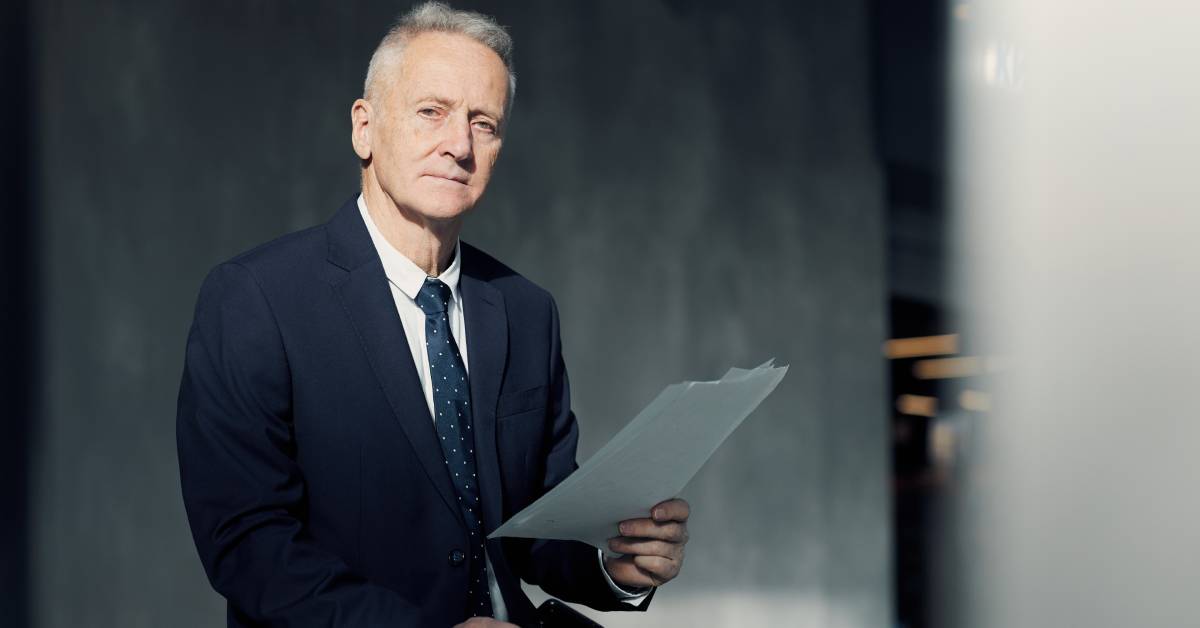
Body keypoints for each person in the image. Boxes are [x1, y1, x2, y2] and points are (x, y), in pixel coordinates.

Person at [175, 3, 690, 627]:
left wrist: (616, 568)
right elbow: (248, 546)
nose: (459, 145)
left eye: (484, 123)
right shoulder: (256, 299)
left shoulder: (526, 311)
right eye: (432, 112)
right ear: (364, 128)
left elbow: (530, 527)